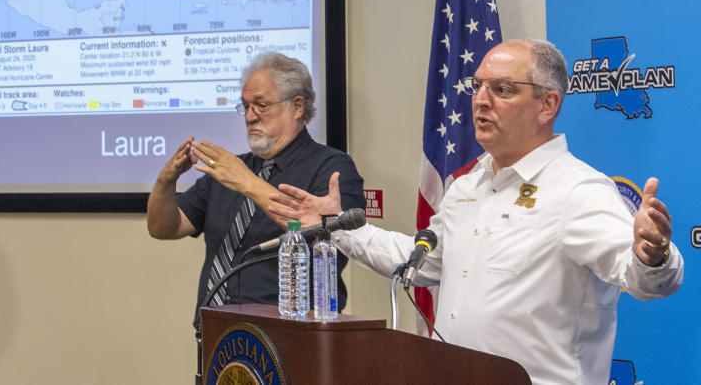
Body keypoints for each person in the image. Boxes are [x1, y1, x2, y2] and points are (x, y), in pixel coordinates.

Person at [269, 40, 683, 385]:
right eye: (478, 86)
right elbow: (423, 262)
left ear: (547, 105)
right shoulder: (466, 186)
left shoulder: (577, 189)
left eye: (503, 89)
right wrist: (336, 227)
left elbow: (641, 278)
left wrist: (654, 256)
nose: (480, 101)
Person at [147, 53, 365, 320]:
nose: (250, 116)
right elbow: (163, 228)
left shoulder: (333, 167)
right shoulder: (232, 170)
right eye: (245, 106)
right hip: (217, 332)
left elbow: (334, 244)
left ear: (297, 106)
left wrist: (248, 183)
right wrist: (165, 182)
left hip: (291, 333)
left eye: (261, 105)